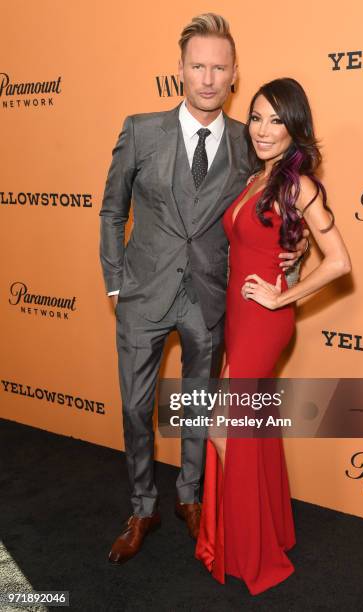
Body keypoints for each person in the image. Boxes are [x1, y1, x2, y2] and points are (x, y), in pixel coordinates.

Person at [99, 14, 307, 565]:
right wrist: (116, 285)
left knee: (197, 406)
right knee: (135, 409)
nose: (208, 78)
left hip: (213, 298)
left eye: (219, 67)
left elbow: (275, 208)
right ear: (180, 70)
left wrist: (297, 249)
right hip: (142, 296)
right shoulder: (141, 129)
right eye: (198, 66)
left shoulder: (252, 140)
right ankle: (143, 506)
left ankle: (192, 496)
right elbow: (112, 209)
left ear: (235, 74)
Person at [195, 78, 352, 595]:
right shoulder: (258, 178)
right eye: (257, 117)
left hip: (263, 322)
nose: (262, 130)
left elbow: (342, 262)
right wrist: (296, 250)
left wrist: (284, 296)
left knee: (225, 431)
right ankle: (268, 531)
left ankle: (249, 548)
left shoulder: (297, 184)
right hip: (241, 319)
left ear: (294, 128)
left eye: (275, 121)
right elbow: (277, 240)